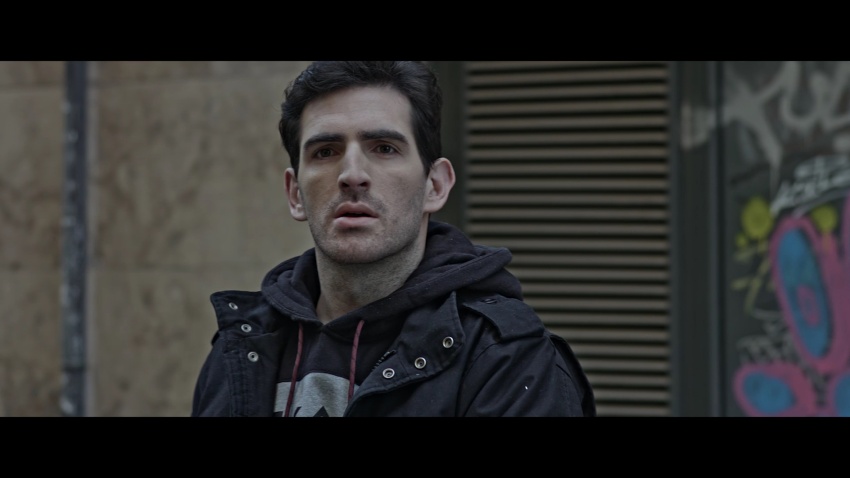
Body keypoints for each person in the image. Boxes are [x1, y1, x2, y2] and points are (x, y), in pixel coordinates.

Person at [191, 61, 595, 417]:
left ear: (435, 185)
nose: (352, 174)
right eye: (326, 151)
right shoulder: (242, 344)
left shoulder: (507, 357)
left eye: (384, 148)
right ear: (295, 193)